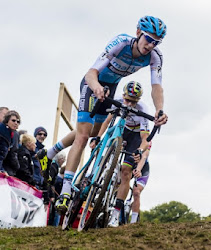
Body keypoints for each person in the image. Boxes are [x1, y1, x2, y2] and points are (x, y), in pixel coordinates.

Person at [51, 16, 168, 214]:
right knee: (83, 135)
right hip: (93, 84)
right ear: (138, 32)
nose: (150, 45)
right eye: (148, 39)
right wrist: (96, 87)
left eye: (156, 42)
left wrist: (159, 109)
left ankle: (82, 169)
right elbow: (91, 73)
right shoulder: (121, 42)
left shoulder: (155, 56)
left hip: (111, 88)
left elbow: (157, 87)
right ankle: (65, 187)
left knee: (94, 134)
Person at [89, 81, 150, 227]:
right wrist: (98, 137)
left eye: (133, 102)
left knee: (125, 171)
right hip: (122, 129)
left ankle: (116, 213)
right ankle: (101, 170)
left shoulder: (144, 111)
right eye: (127, 100)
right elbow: (108, 120)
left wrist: (139, 151)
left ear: (138, 101)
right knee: (109, 138)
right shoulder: (117, 100)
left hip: (135, 137)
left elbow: (145, 139)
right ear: (123, 95)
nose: (129, 104)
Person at [130, 143, 151, 224]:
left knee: (136, 192)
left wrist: (138, 169)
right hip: (127, 166)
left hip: (143, 168)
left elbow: (145, 156)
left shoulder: (146, 139)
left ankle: (133, 222)